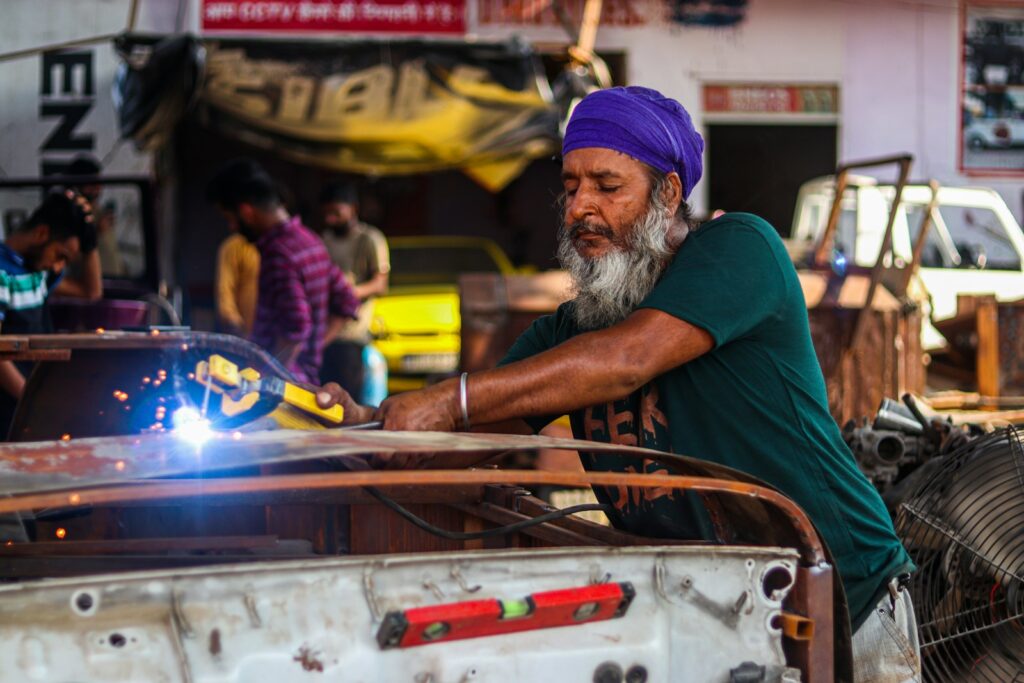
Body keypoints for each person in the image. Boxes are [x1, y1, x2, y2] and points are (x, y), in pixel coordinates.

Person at [318, 86, 920, 682]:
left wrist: (450, 399)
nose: (582, 206)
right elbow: (468, 436)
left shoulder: (740, 248)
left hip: (845, 596)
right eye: (571, 186)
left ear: (669, 193)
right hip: (720, 613)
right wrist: (369, 426)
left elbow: (629, 359)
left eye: (608, 187)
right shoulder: (571, 329)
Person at [206, 161, 360, 384]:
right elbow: (348, 301)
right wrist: (315, 346)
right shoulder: (310, 241)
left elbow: (296, 328)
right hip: (306, 380)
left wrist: (266, 379)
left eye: (230, 219)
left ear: (246, 212)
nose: (232, 228)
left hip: (284, 390)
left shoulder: (278, 254)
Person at [0, 192, 93, 435]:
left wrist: (89, 240)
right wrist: (33, 402)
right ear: (42, 234)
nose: (58, 266)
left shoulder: (35, 272)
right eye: (60, 255)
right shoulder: (3, 274)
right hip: (10, 412)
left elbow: (91, 291)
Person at [317, 181, 390, 399]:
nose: (331, 219)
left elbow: (380, 284)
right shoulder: (324, 240)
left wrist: (347, 295)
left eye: (336, 213)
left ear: (354, 209)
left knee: (349, 401)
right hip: (324, 335)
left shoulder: (370, 239)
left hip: (353, 335)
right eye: (327, 213)